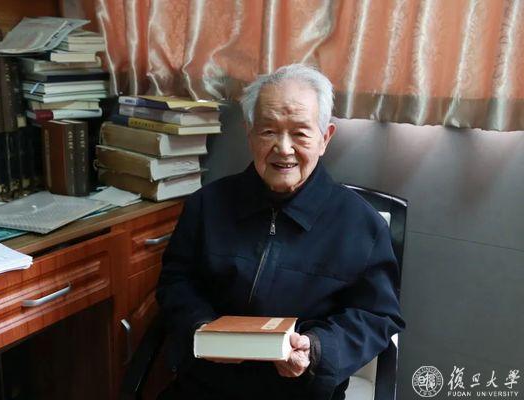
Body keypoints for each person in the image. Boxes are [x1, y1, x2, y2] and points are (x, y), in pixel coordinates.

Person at [156, 64, 405, 400]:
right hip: (205, 385)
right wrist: (200, 327)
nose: (284, 148)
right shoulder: (207, 204)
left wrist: (317, 348)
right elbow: (175, 281)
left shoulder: (361, 224)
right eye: (268, 131)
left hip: (302, 391)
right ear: (249, 134)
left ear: (325, 138)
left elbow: (377, 315)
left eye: (300, 133)